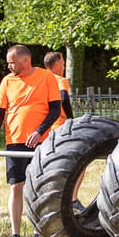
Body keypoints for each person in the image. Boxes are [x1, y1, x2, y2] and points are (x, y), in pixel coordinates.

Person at [0, 44, 61, 237]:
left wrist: (39, 131)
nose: (9, 66)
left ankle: (38, 231)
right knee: (16, 186)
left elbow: (55, 109)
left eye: (12, 62)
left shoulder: (46, 77)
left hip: (41, 141)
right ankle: (15, 233)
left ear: (25, 61)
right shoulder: (7, 81)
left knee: (37, 187)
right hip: (14, 142)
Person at [44, 51, 83, 211]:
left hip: (43, 129)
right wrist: (71, 120)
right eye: (63, 63)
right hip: (58, 126)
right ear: (57, 64)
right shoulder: (59, 80)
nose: (64, 66)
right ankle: (72, 198)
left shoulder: (39, 80)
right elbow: (64, 98)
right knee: (79, 163)